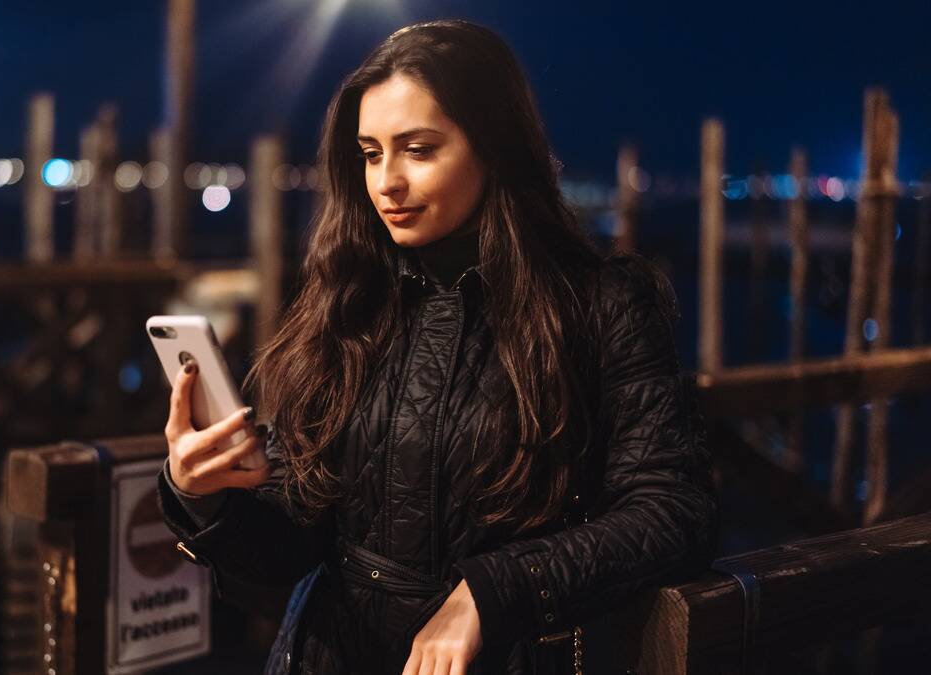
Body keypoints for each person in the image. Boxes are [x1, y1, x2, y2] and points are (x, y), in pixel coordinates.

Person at [157, 19, 719, 675]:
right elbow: (291, 547)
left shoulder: (602, 306)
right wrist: (204, 497)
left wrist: (490, 591)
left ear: (494, 148)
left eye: (418, 149)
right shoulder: (344, 304)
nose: (386, 181)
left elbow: (673, 511)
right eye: (371, 153)